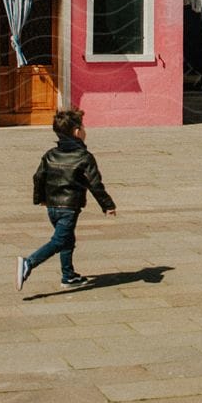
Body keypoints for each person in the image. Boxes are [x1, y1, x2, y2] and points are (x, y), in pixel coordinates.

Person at [18, 108, 117, 292]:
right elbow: (95, 184)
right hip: (69, 208)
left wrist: (40, 199)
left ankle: (68, 275)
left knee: (68, 240)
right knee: (59, 241)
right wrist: (108, 205)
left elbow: (38, 177)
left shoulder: (50, 154)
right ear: (77, 132)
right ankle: (28, 263)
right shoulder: (84, 157)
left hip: (52, 206)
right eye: (84, 127)